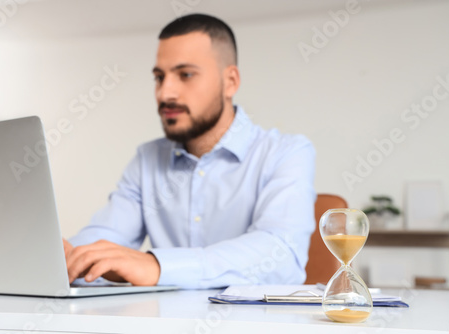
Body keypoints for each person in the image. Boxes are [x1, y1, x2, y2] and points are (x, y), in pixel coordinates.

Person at [64, 13, 316, 289]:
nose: (165, 93)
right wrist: (66, 259)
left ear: (230, 81)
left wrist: (158, 266)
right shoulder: (147, 160)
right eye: (159, 77)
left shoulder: (286, 153)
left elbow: (280, 255)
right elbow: (108, 235)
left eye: (185, 75)